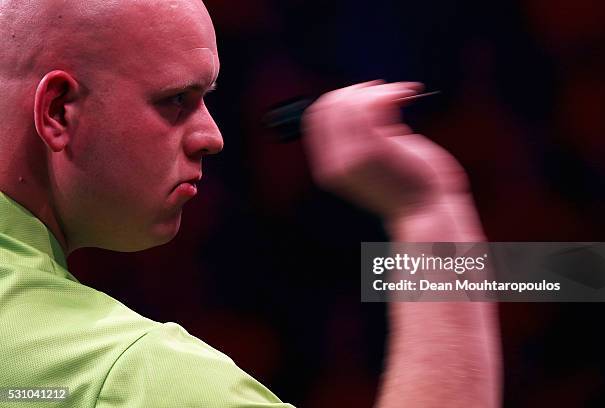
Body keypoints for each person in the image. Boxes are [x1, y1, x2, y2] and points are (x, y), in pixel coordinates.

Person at [0, 0, 500, 406]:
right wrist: (427, 208)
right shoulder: (130, 377)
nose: (212, 137)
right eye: (176, 99)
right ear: (59, 111)